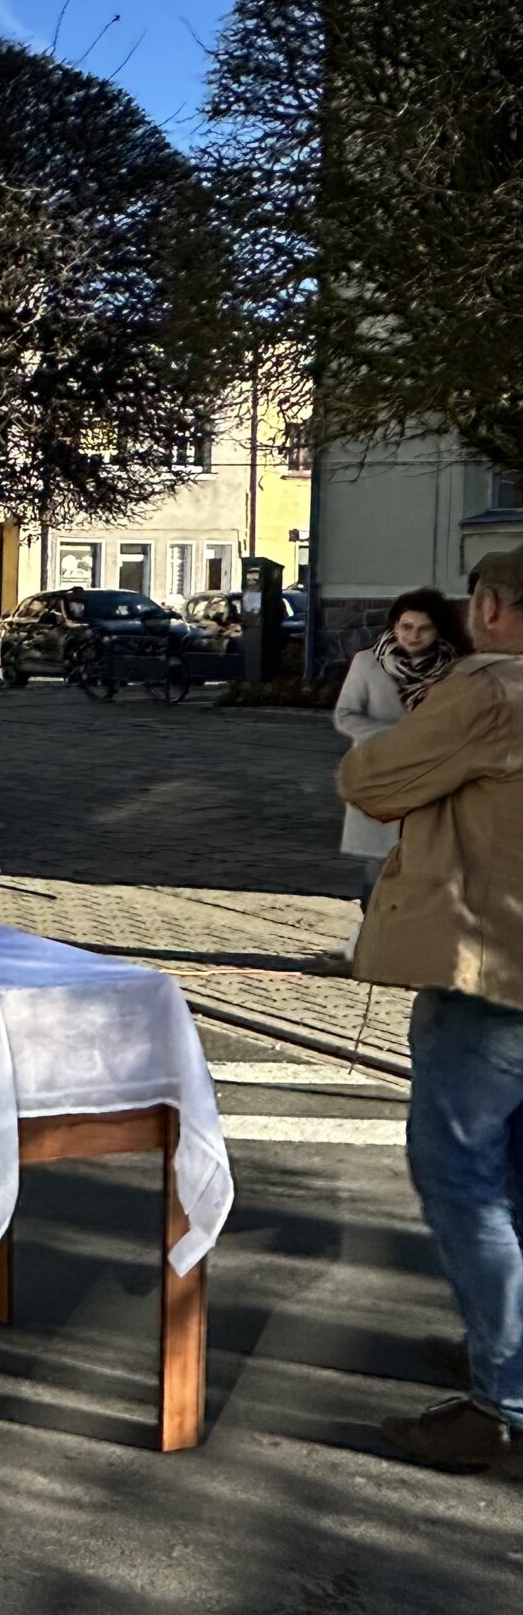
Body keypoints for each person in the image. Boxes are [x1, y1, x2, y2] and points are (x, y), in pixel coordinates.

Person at [335, 549, 523, 1474]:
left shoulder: (491, 690)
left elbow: (370, 779)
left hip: (495, 972)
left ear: (490, 608)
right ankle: (507, 1349)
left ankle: (505, 1403)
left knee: (463, 1177)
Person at [333, 589, 470, 903]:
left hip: (431, 777)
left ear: (438, 630)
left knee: (430, 862)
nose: (413, 635)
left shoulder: (454, 670)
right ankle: (372, 925)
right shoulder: (368, 662)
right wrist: (394, 736)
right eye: (406, 626)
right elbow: (346, 714)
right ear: (394, 625)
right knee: (378, 864)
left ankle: (413, 927)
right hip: (380, 773)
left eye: (424, 628)